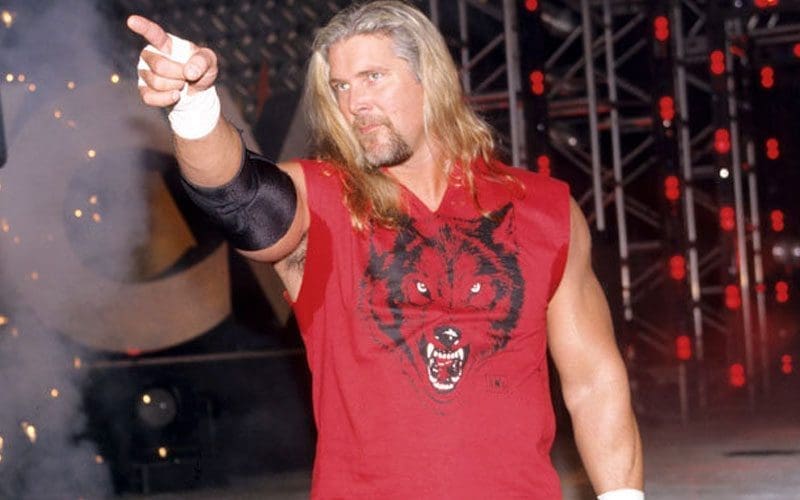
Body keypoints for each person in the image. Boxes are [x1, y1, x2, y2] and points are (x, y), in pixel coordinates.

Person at [128, 1, 643, 498]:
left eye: (373, 77)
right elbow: (238, 196)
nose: (355, 103)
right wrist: (194, 106)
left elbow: (594, 381)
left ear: (431, 79)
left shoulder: (543, 211)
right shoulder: (324, 202)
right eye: (341, 87)